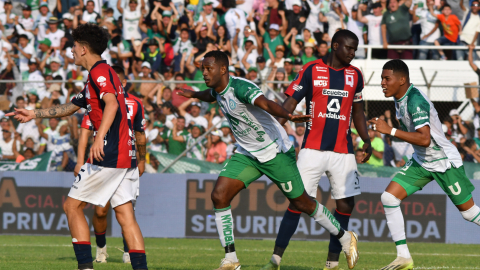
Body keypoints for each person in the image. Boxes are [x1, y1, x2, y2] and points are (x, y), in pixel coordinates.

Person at [177, 50, 359, 270]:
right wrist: (195, 94)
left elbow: (265, 103)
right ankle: (231, 259)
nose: (204, 73)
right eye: (203, 69)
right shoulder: (218, 90)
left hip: (275, 152)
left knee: (303, 203)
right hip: (247, 154)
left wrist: (288, 115)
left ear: (223, 69)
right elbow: (211, 95)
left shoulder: (241, 87)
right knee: (219, 195)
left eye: (208, 68)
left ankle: (345, 237)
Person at [6, 23, 148, 270]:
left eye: (73, 46)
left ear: (83, 48)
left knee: (72, 206)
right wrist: (34, 113)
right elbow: (70, 108)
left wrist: (98, 137)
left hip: (109, 152)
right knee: (126, 215)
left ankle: (85, 267)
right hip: (126, 155)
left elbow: (112, 105)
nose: (71, 51)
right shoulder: (100, 74)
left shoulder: (99, 72)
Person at [261, 29, 372, 270]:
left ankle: (331, 264)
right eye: (348, 48)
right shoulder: (312, 69)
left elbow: (359, 111)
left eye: (355, 49)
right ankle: (275, 259)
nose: (352, 53)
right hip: (312, 149)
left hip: (344, 151)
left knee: (345, 206)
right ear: (334, 46)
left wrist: (366, 139)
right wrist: (272, 132)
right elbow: (289, 103)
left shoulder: (355, 75)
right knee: (298, 202)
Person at [369, 59, 480, 270]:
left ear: (402, 80)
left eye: (387, 78)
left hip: (442, 161)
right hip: (421, 161)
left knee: (469, 213)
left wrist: (389, 130)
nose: (382, 83)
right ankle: (403, 257)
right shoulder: (399, 98)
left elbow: (425, 139)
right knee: (389, 197)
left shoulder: (415, 100)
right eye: (382, 78)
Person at [74, 65, 147, 264]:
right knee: (101, 211)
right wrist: (80, 161)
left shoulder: (135, 104)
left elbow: (140, 133)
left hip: (119, 159)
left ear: (123, 83)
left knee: (125, 213)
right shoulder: (96, 100)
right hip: (103, 158)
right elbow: (84, 131)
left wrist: (142, 159)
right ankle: (101, 249)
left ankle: (124, 253)